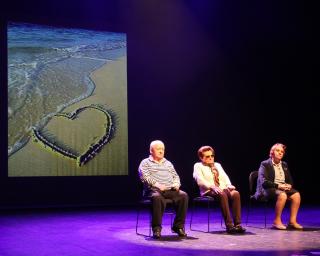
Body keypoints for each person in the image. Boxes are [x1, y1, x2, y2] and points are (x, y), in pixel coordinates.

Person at [138, 140, 188, 239]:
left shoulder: (168, 163)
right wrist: (157, 185)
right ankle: (156, 229)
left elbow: (176, 176)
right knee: (157, 198)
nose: (161, 151)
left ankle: (178, 227)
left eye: (162, 149)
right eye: (158, 149)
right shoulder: (145, 162)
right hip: (153, 190)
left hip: (170, 189)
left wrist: (177, 184)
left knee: (183, 195)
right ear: (151, 151)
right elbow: (144, 177)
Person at [193, 146, 246, 234]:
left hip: (222, 189)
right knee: (222, 194)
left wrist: (229, 184)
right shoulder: (198, 166)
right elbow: (199, 180)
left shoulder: (217, 165)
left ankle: (238, 225)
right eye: (207, 156)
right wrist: (211, 186)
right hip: (208, 191)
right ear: (201, 157)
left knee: (235, 193)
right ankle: (229, 226)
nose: (211, 158)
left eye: (212, 156)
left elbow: (224, 176)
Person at [255, 143, 303, 230]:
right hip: (268, 189)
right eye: (278, 150)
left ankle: (292, 221)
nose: (280, 153)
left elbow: (290, 180)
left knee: (296, 195)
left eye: (282, 151)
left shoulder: (284, 164)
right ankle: (276, 221)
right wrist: (278, 186)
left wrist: (289, 185)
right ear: (272, 152)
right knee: (282, 195)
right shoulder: (265, 164)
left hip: (282, 188)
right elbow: (264, 182)